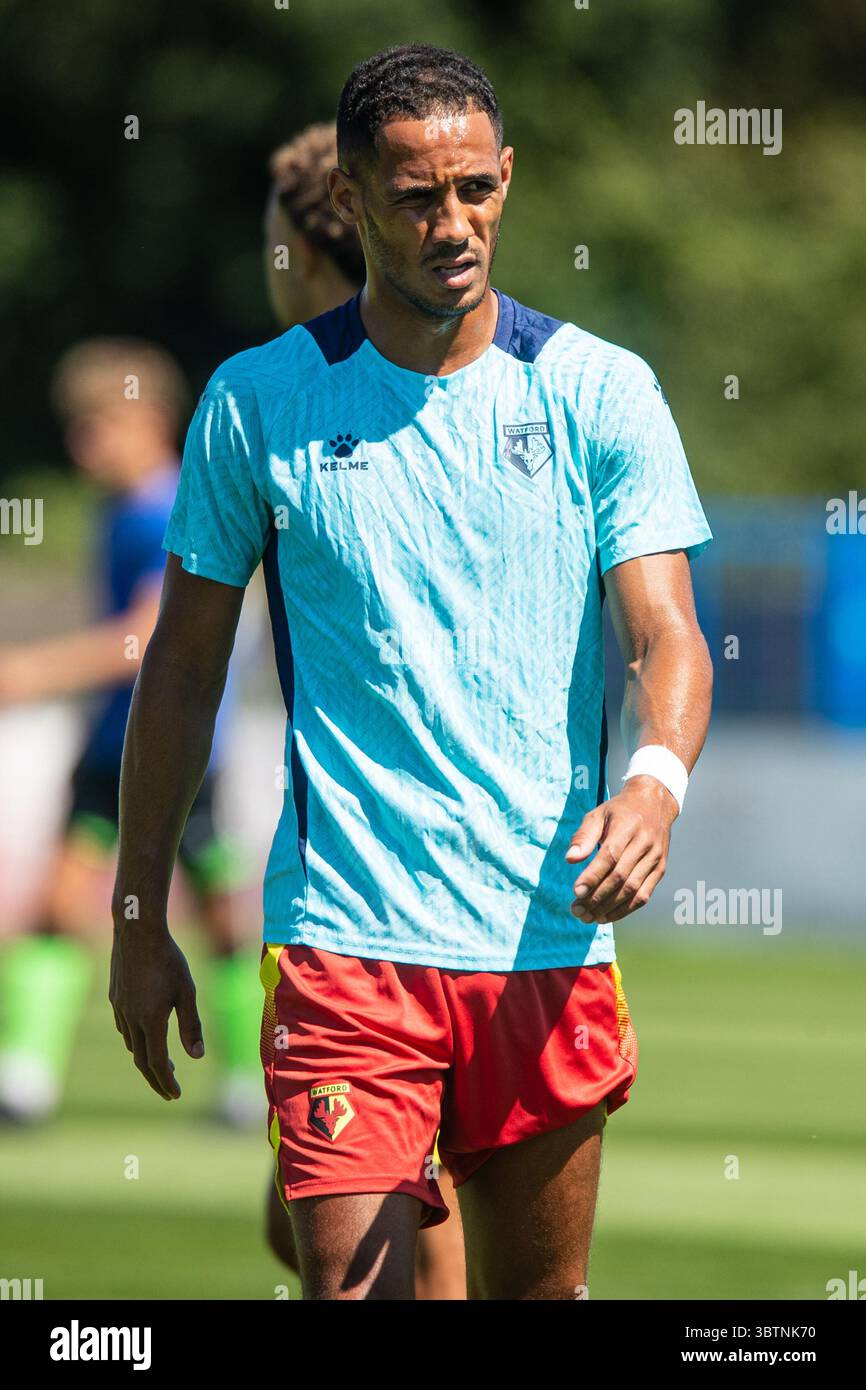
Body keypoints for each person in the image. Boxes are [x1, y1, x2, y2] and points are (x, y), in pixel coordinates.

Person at [109, 44, 714, 1300]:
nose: (455, 225)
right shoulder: (255, 401)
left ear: (506, 179)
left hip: (545, 937)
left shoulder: (600, 392)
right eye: (415, 198)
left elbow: (665, 636)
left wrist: (651, 785)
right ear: (350, 197)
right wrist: (135, 911)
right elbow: (179, 671)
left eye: (476, 191)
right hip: (344, 944)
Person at [261, 121, 466, 1298]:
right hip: (358, 892)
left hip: (379, 899)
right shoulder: (275, 402)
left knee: (389, 1235)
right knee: (299, 1219)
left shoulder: (299, 397)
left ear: (301, 247)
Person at [0, 339, 261, 1127]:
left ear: (147, 417)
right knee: (55, 905)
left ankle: (248, 1084)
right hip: (109, 748)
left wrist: (29, 673)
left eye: (97, 424)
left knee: (221, 918)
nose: (83, 444)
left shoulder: (166, 508)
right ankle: (25, 1081)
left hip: (180, 754)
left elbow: (146, 639)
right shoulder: (118, 511)